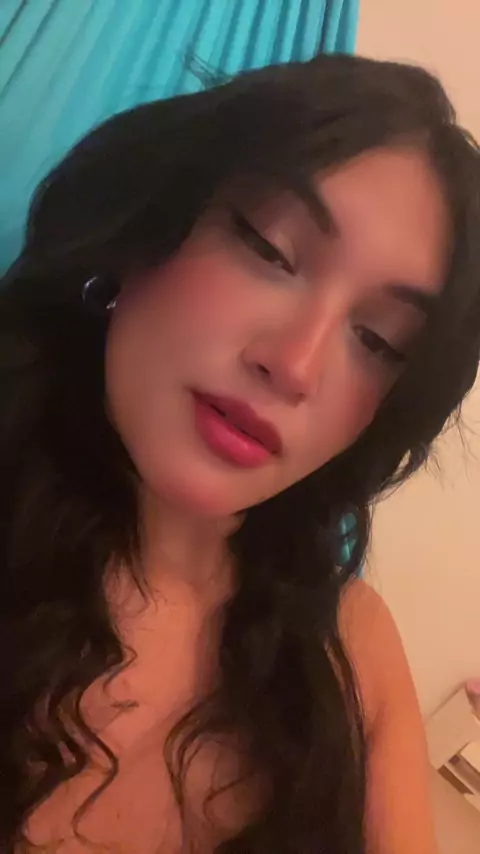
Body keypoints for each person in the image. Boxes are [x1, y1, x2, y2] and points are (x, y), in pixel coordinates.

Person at [1, 53, 479, 854]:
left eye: (378, 340)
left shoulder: (351, 656)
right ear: (146, 227)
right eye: (269, 248)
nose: (295, 365)